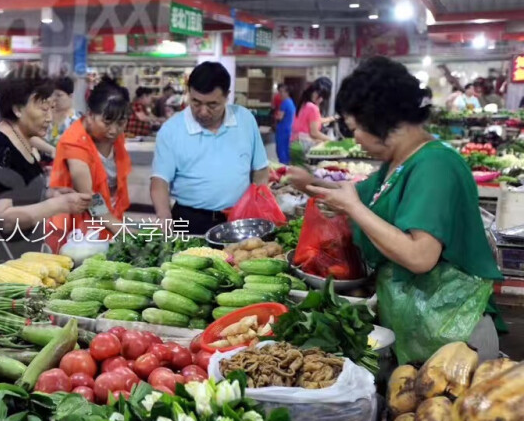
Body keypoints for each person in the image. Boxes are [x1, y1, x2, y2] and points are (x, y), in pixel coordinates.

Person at [289, 57, 502, 362]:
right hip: (420, 327)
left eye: (355, 129)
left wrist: (352, 208)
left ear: (381, 119)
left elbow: (420, 256)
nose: (355, 140)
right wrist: (307, 182)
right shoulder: (398, 163)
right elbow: (356, 197)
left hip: (455, 339)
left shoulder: (435, 166)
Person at [0, 65, 91, 264]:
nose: (49, 117)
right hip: (1, 264)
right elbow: (4, 220)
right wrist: (57, 205)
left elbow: (19, 194)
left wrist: (50, 194)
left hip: (25, 257)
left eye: (51, 109)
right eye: (43, 108)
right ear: (18, 109)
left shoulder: (22, 142)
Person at [151, 62, 269, 234]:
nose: (203, 112)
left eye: (212, 105)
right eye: (196, 103)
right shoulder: (172, 130)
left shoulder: (244, 119)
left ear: (227, 96)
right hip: (189, 219)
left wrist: (258, 207)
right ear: (188, 93)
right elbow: (159, 182)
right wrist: (163, 216)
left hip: (238, 217)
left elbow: (260, 170)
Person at [47, 78, 132, 250]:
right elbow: (91, 201)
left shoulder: (113, 136)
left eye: (121, 123)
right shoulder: (75, 143)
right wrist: (128, 234)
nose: (114, 130)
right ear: (90, 114)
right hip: (77, 233)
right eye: (107, 122)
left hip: (108, 223)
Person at [49, 76, 80, 144]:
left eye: (59, 95)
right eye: (53, 95)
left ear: (70, 96)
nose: (54, 99)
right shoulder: (47, 116)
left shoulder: (77, 120)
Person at [274, 84, 296, 164]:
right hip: (289, 130)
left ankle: (283, 170)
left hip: (283, 131)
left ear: (287, 92)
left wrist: (275, 115)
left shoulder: (285, 103)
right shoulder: (291, 102)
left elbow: (279, 117)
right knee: (286, 151)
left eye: (281, 92)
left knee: (281, 151)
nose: (279, 94)